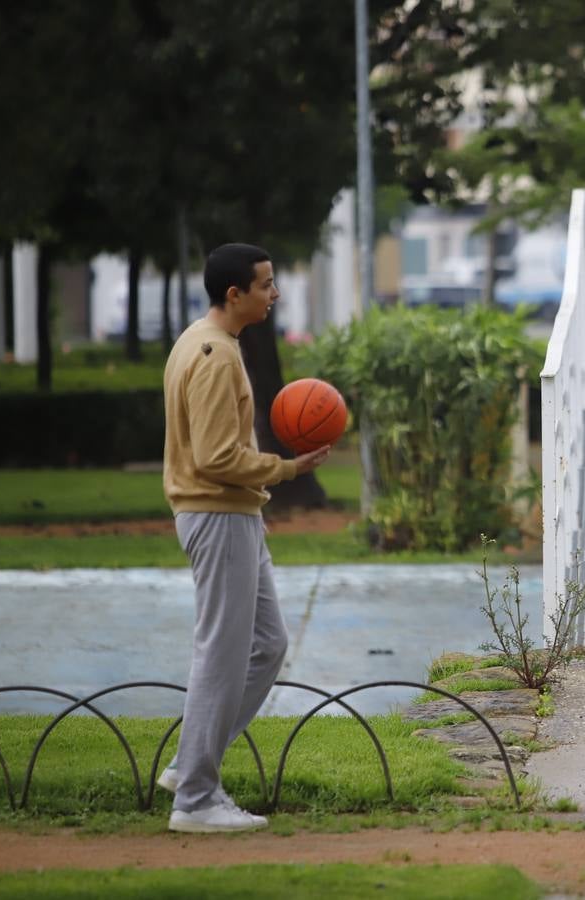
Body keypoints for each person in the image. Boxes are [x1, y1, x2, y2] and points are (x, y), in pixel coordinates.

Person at [159, 243, 330, 833]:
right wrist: (286, 468)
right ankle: (197, 801)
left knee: (266, 645)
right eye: (266, 285)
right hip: (217, 513)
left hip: (235, 514)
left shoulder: (212, 343)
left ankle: (189, 765)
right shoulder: (212, 354)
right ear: (235, 294)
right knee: (222, 652)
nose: (274, 294)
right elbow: (215, 457)